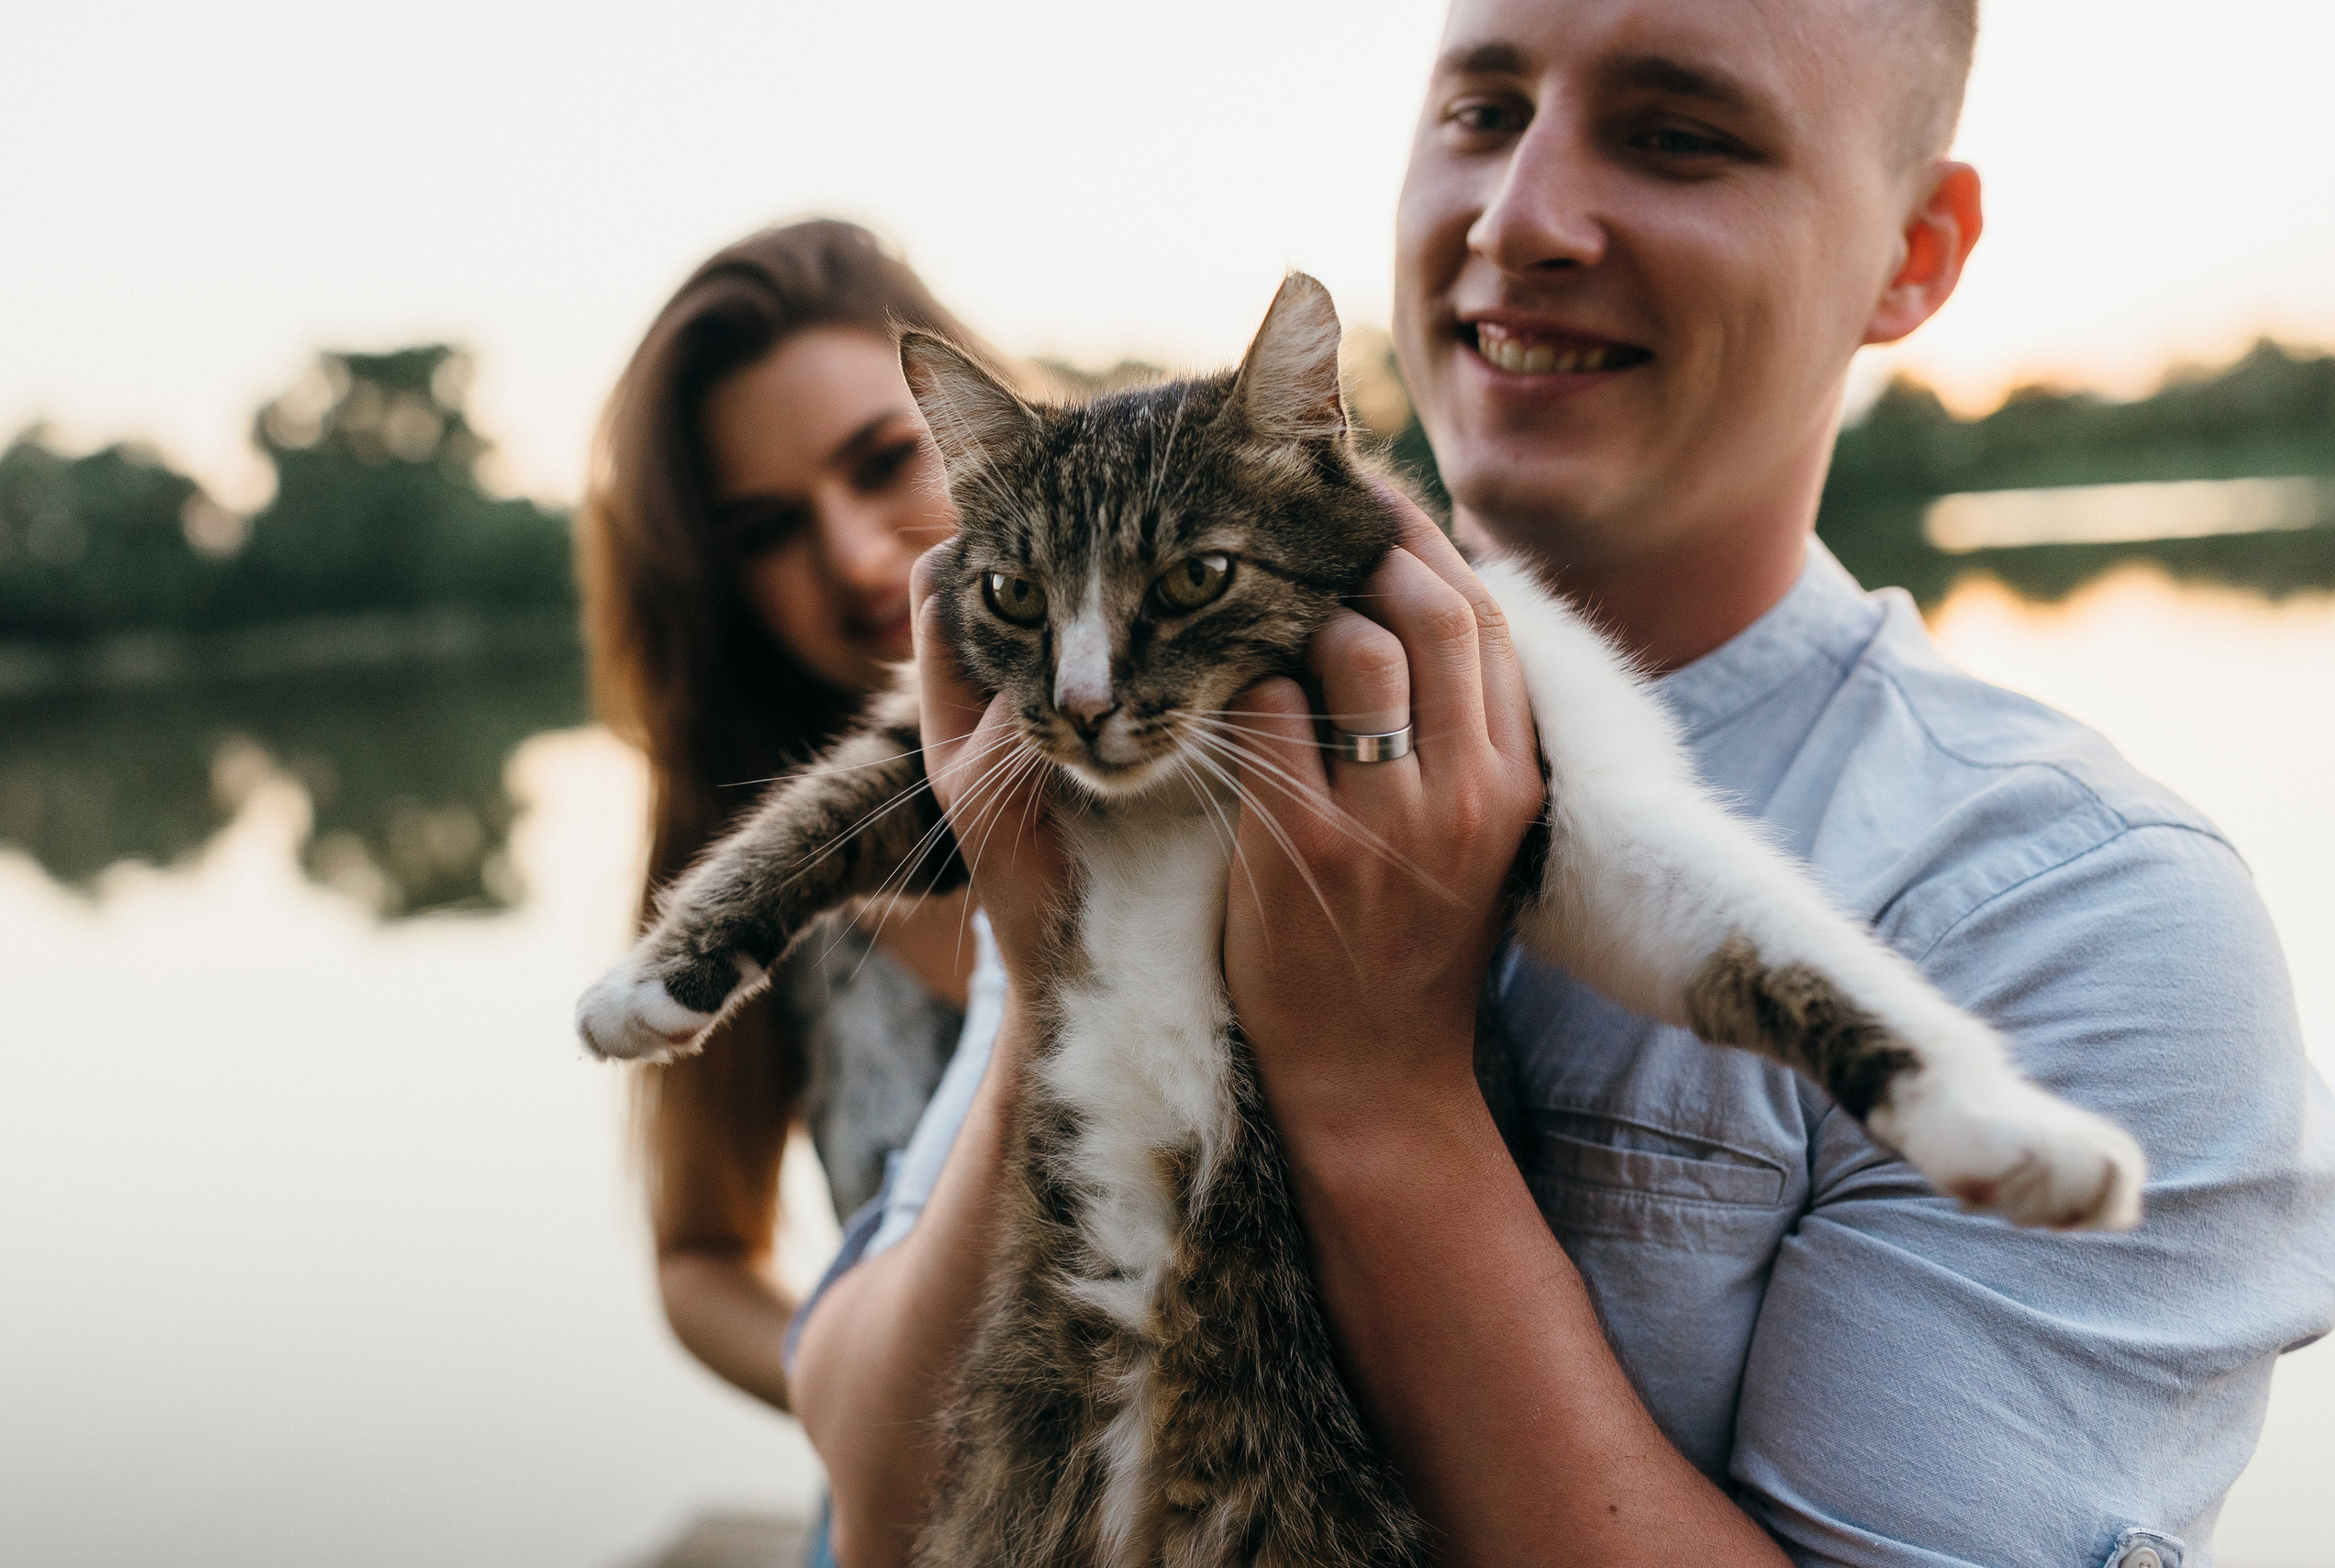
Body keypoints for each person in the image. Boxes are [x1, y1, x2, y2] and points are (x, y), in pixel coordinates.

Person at [789, 3, 2335, 1564]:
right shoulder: (1153, 718)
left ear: (1917, 252)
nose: (1519, 215)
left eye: (1678, 134)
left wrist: (1378, 1090)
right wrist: (1060, 976)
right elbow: (872, 1506)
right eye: (1481, 110)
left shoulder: (2087, 919)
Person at [577, 218, 1016, 1416]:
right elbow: (700, 1256)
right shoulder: (741, 843)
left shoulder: (1224, 740)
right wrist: (851, 1388)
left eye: (884, 461)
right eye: (766, 529)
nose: (857, 557)